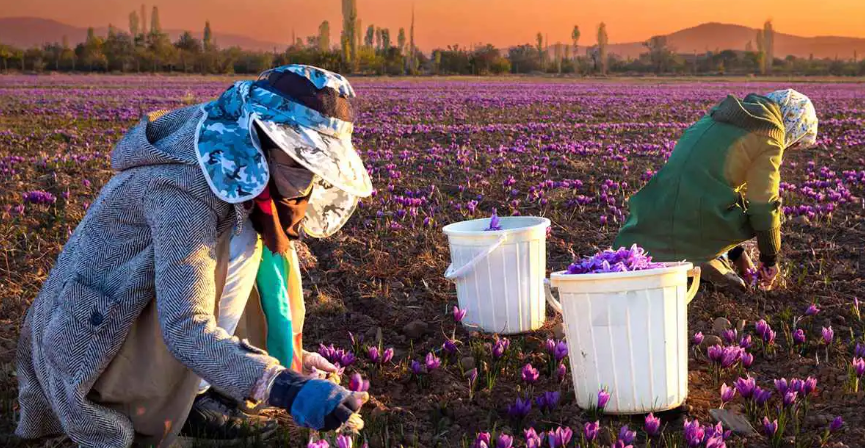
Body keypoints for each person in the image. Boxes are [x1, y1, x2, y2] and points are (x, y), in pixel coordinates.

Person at [15, 65, 373, 447]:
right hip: (91, 347)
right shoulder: (183, 193)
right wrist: (281, 386)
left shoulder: (246, 183)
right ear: (258, 140)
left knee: (252, 244)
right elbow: (185, 324)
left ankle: (200, 392)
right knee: (225, 251)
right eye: (300, 163)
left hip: (136, 321)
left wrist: (289, 357)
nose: (309, 182)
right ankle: (152, 403)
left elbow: (254, 286)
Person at [614, 89, 819, 291]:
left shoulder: (719, 116)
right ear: (792, 127)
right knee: (757, 216)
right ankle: (703, 261)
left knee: (730, 199)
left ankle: (711, 257)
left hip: (653, 209)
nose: (789, 147)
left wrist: (739, 256)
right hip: (693, 217)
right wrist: (769, 258)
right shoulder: (769, 135)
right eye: (794, 143)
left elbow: (710, 186)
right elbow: (763, 204)